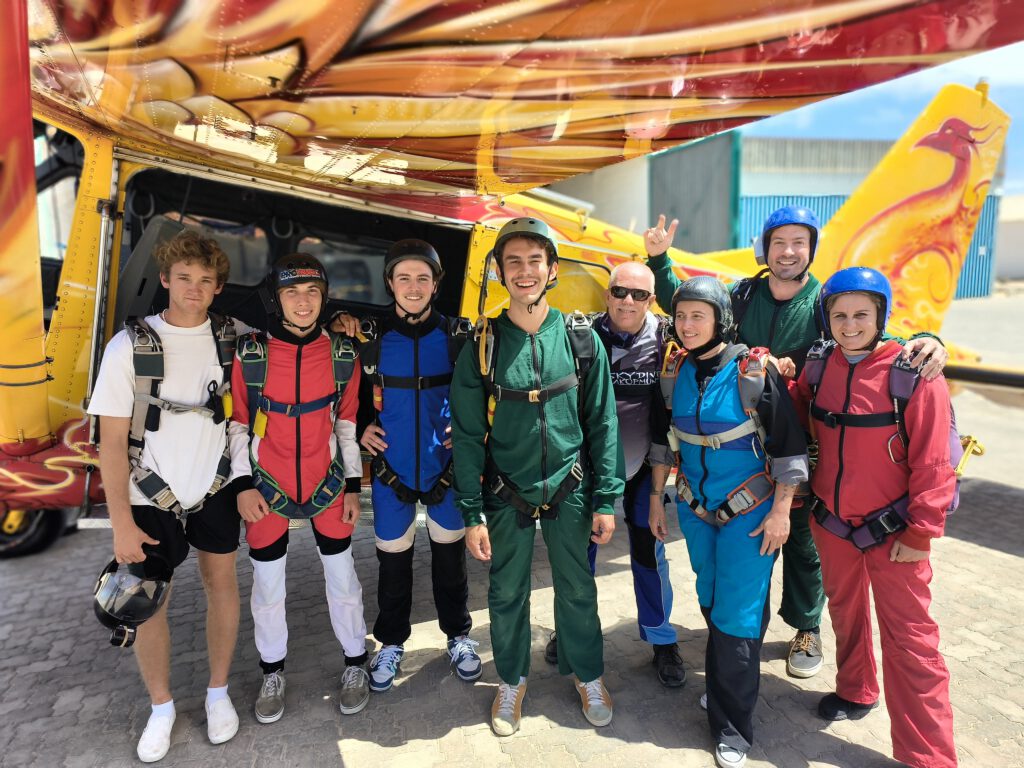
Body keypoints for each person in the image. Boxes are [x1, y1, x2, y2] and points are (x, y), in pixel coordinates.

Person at [644, 208, 948, 679]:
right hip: (745, 440)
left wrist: (928, 340)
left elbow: (869, 332)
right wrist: (661, 263)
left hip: (807, 438)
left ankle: (806, 624)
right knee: (750, 540)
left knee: (803, 540)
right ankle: (744, 625)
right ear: (764, 247)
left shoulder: (825, 300)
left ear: (811, 249)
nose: (788, 251)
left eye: (798, 242)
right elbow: (690, 310)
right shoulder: (743, 295)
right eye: (779, 241)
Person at [450, 217, 624, 736]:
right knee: (506, 594)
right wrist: (471, 512)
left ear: (551, 270)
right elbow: (463, 433)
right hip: (506, 493)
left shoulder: (580, 340)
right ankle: (510, 680)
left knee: (578, 589)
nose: (524, 271)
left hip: (571, 489)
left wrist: (606, 498)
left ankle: (588, 674)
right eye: (513, 262)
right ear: (501, 272)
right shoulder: (482, 344)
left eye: (534, 261)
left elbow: (603, 422)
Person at [88, 230, 248, 763]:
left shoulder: (234, 339)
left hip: (215, 488)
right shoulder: (128, 346)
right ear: (165, 279)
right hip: (147, 495)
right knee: (148, 599)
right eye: (184, 278)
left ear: (218, 287)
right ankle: (162, 707)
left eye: (206, 280)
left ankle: (218, 692)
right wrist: (119, 524)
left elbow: (298, 342)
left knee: (221, 585)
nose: (194, 289)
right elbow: (110, 443)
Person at [791, 267, 957, 768]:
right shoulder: (820, 366)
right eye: (839, 314)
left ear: (881, 316)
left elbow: (933, 460)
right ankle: (857, 689)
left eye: (862, 314)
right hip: (833, 523)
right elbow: (797, 417)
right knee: (846, 614)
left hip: (896, 532)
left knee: (911, 642)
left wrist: (922, 532)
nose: (850, 324)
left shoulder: (913, 373)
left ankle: (928, 756)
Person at [649, 276, 808, 768]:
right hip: (696, 510)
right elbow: (662, 443)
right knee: (713, 596)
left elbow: (789, 449)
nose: (688, 325)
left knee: (736, 611)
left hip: (752, 514)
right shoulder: (675, 371)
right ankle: (727, 681)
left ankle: (732, 727)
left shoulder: (753, 371)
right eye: (681, 316)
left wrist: (782, 511)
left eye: (699, 315)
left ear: (721, 320)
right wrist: (656, 499)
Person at [231, 254, 369, 724]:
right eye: (292, 292)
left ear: (324, 297)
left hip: (327, 483)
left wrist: (352, 486)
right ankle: (272, 671)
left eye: (312, 292)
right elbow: (237, 426)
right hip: (266, 487)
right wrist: (243, 485)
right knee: (267, 587)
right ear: (277, 298)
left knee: (343, 579)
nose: (303, 302)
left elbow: (347, 424)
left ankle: (355, 663)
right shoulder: (251, 354)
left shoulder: (342, 354)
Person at [544, 261, 683, 687]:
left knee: (647, 553)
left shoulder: (667, 340)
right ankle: (571, 630)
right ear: (606, 294)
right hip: (586, 471)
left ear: (652, 300)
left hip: (643, 469)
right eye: (620, 292)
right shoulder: (578, 334)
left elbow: (719, 335)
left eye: (639, 295)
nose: (628, 301)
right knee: (577, 557)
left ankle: (661, 640)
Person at [353, 239, 480, 692]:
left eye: (422, 278)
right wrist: (359, 429)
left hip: (445, 470)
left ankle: (459, 636)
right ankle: (390, 643)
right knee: (393, 565)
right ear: (389, 283)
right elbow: (352, 398)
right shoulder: (371, 340)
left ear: (436, 284)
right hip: (392, 473)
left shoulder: (456, 336)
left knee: (451, 563)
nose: (413, 286)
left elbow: (480, 394)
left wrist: (473, 431)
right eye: (403, 277)